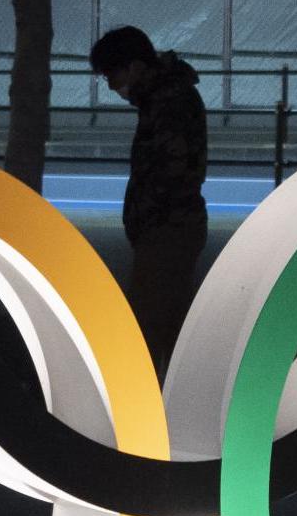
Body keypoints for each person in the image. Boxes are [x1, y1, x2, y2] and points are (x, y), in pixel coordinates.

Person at [89, 25, 208, 368]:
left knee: (150, 326)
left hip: (167, 229)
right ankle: (171, 401)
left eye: (113, 74)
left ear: (135, 66)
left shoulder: (168, 102)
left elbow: (171, 171)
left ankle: (149, 408)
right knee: (168, 324)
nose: (112, 85)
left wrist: (146, 216)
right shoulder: (167, 97)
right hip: (170, 226)